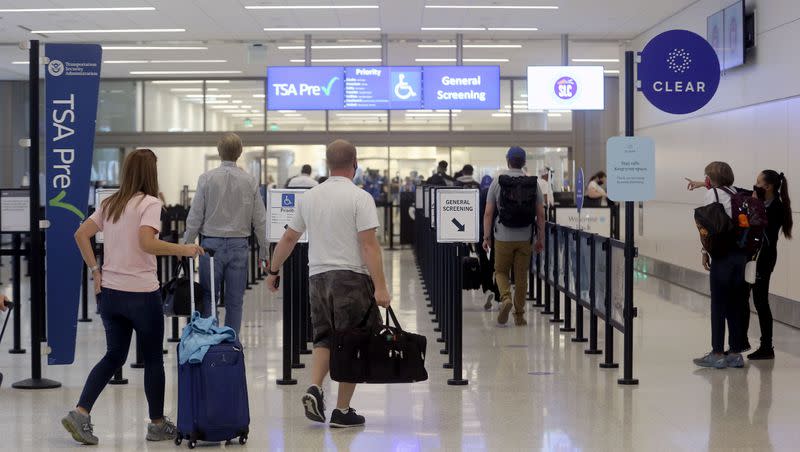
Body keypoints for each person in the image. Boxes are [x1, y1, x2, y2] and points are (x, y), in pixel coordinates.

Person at [63, 149, 204, 446]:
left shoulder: (110, 202)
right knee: (153, 359)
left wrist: (95, 271)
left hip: (111, 294)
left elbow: (80, 234)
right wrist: (185, 249)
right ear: (151, 173)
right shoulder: (151, 203)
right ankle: (156, 425)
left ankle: (81, 411)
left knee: (114, 355)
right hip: (141, 295)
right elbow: (147, 243)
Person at [267, 139, 391, 428]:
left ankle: (314, 388)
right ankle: (342, 410)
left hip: (318, 278)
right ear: (355, 163)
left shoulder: (310, 197)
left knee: (324, 336)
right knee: (353, 341)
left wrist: (273, 270)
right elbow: (369, 246)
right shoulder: (360, 197)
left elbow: (288, 239)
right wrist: (381, 287)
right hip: (351, 278)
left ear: (327, 163)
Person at [185, 133, 268, 336]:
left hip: (210, 247)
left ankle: (208, 341)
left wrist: (186, 244)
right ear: (239, 153)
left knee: (209, 298)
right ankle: (231, 342)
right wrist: (264, 252)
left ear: (218, 152)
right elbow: (260, 219)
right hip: (239, 246)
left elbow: (195, 216)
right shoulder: (249, 181)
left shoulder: (206, 179)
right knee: (235, 301)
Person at [687, 162, 749, 369]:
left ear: (711, 178)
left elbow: (708, 229)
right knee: (735, 304)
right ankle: (735, 353)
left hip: (722, 257)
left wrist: (705, 252)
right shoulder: (738, 194)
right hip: (741, 256)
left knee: (718, 305)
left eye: (706, 177)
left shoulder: (711, 195)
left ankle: (717, 353)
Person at [482, 146, 545, 326]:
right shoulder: (533, 183)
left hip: (502, 236)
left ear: (508, 160)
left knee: (500, 271)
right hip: (525, 236)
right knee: (521, 276)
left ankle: (506, 298)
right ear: (524, 162)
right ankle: (519, 315)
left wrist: (486, 237)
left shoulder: (498, 182)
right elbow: (540, 215)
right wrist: (540, 239)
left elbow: (488, 213)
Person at [746, 171, 792, 360]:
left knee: (760, 300)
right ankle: (740, 342)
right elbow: (736, 191)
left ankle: (767, 346)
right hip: (753, 257)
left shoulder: (777, 208)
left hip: (764, 259)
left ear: (768, 187)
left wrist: (755, 205)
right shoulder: (764, 202)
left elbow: (763, 232)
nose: (755, 186)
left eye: (758, 182)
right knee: (749, 298)